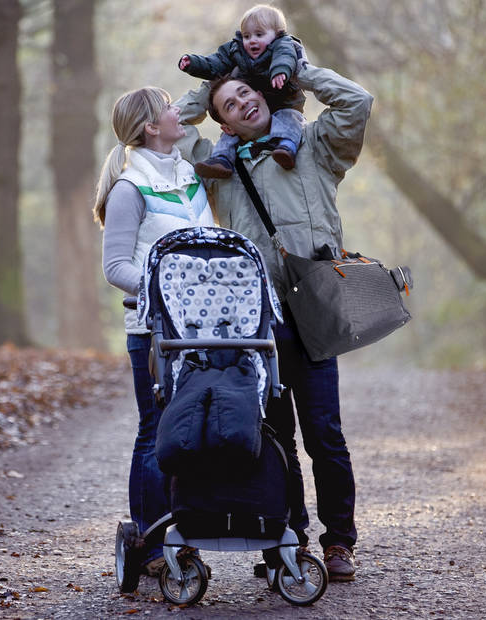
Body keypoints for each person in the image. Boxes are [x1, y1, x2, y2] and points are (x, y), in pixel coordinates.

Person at [173, 62, 373, 582]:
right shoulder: (219, 168)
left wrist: (296, 72)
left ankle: (339, 544)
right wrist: (210, 83)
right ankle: (286, 539)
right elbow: (175, 126)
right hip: (260, 322)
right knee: (275, 435)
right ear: (226, 126)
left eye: (246, 94)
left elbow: (357, 103)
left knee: (324, 433)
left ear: (262, 95)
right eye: (230, 106)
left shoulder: (314, 145)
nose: (242, 104)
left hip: (315, 312)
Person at [93, 86, 214, 576]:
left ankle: (184, 535)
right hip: (152, 331)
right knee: (155, 431)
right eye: (168, 107)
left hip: (201, 329)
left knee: (193, 433)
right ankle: (150, 543)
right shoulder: (128, 189)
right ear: (149, 126)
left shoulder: (187, 175)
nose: (176, 112)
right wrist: (169, 288)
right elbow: (116, 266)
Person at [178, 3, 306, 178]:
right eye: (247, 36)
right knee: (230, 134)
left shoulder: (283, 45)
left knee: (290, 120)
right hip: (258, 101)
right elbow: (216, 63)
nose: (252, 40)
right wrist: (193, 64)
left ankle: (286, 148)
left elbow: (285, 57)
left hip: (285, 100)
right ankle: (221, 160)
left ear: (277, 35)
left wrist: (281, 72)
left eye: (259, 35)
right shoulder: (236, 48)